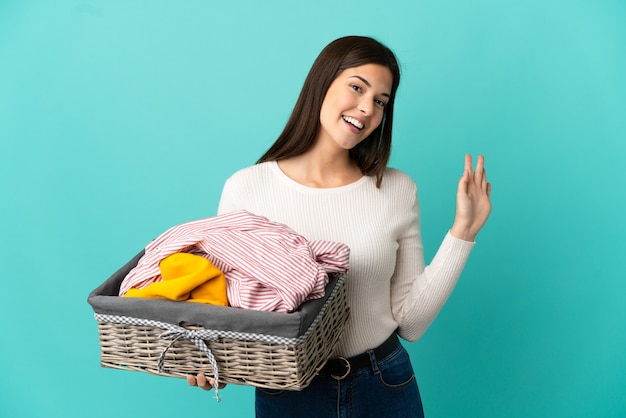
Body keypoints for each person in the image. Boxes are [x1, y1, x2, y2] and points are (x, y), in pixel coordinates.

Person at [187, 35, 491, 417]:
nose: (366, 108)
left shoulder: (397, 189)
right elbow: (229, 304)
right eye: (356, 87)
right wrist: (211, 362)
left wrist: (463, 231)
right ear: (322, 83)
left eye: (381, 101)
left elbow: (410, 323)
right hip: (288, 392)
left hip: (383, 384)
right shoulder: (247, 187)